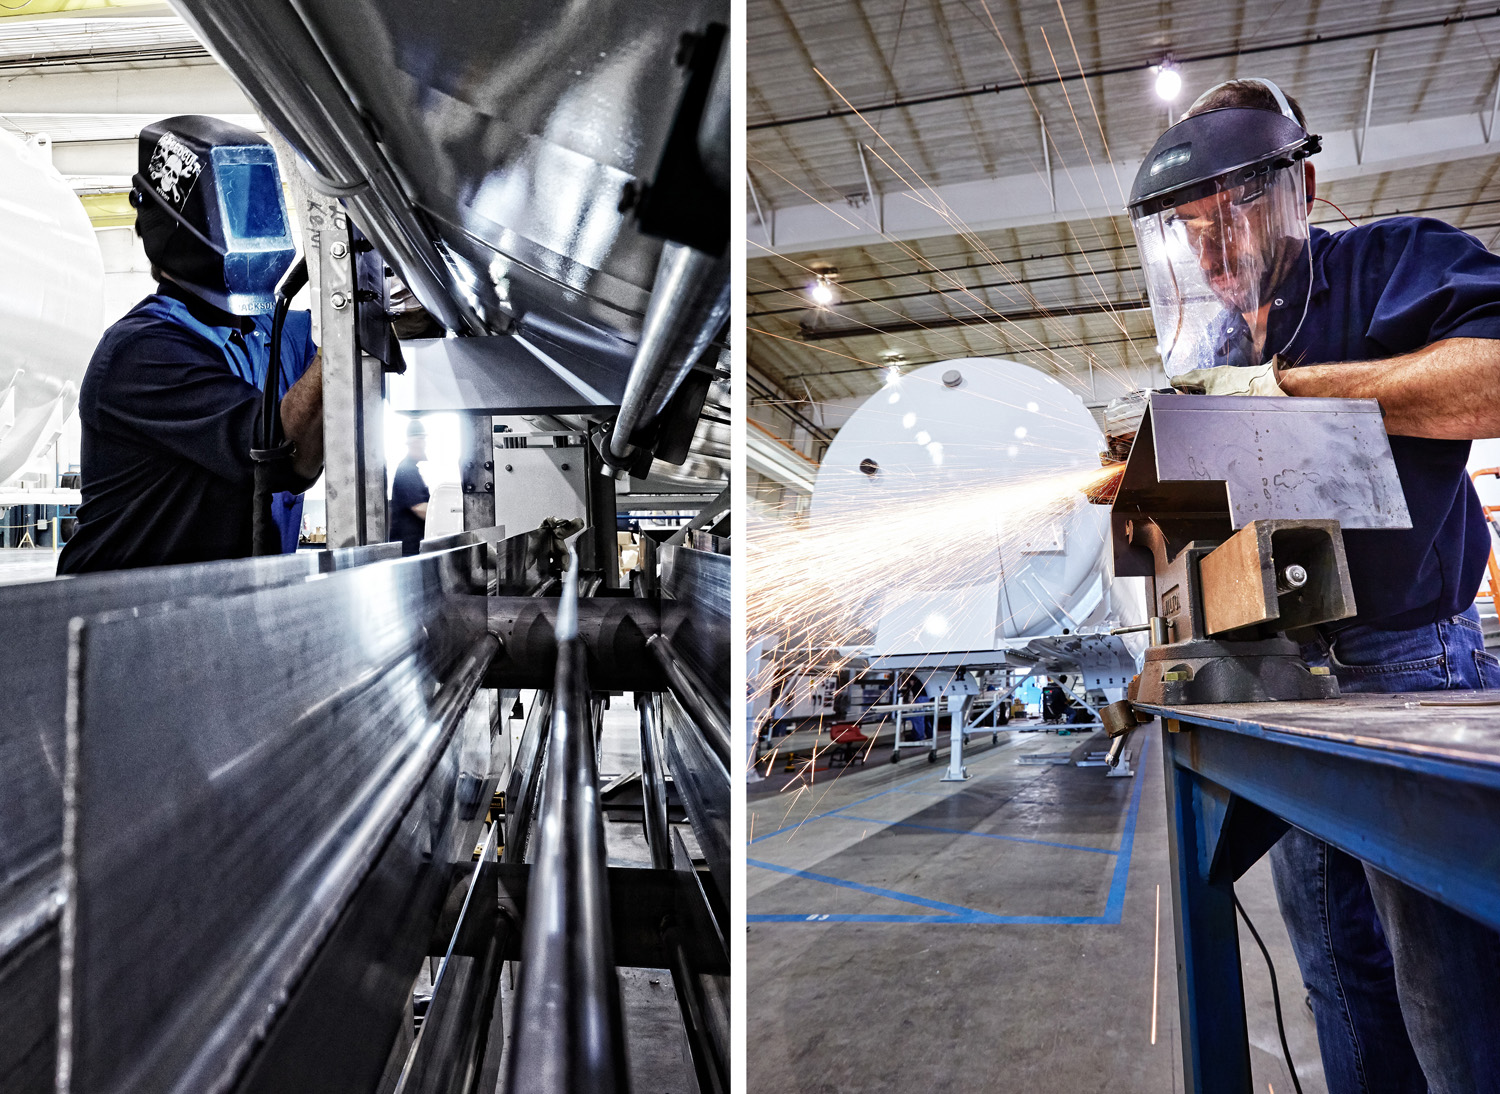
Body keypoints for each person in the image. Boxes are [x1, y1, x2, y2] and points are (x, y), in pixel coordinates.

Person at [1129, 79, 1500, 1093]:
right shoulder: (1212, 346)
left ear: (1302, 185)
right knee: (1336, 967)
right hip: (1282, 670)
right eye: (1192, 227)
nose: (1214, 247)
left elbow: (1493, 375)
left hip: (1405, 662)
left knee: (1443, 982)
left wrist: (1293, 388)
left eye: (1236, 210)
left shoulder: (1386, 264)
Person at [57, 116, 322, 573]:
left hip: (219, 617)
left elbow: (343, 346)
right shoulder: (141, 352)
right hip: (124, 621)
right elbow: (282, 454)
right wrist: (346, 346)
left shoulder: (273, 330)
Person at [389, 417, 430, 555]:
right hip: (407, 550)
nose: (424, 445)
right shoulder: (406, 470)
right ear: (414, 442)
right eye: (422, 440)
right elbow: (419, 508)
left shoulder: (411, 469)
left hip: (412, 547)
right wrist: (444, 520)